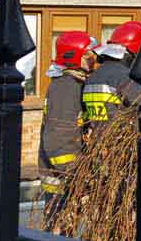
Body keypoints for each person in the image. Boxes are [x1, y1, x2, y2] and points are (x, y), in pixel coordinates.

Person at [39, 30, 97, 217]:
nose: (94, 60)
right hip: (62, 184)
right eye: (89, 55)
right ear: (76, 57)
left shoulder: (75, 84)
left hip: (67, 182)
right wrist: (76, 174)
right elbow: (58, 138)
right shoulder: (66, 87)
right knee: (59, 240)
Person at [82, 21, 141, 136]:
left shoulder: (92, 78)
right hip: (121, 145)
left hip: (97, 146)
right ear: (135, 52)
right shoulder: (124, 77)